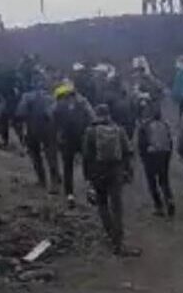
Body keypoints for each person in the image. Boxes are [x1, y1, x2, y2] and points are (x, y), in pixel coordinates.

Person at [82, 104, 139, 256]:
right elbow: (127, 152)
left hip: (97, 173)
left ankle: (109, 232)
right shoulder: (119, 130)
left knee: (102, 204)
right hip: (116, 172)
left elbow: (86, 156)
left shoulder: (90, 132)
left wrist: (87, 177)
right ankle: (118, 242)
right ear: (109, 115)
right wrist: (128, 171)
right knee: (117, 207)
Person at [53, 80, 95, 208]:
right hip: (82, 137)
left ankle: (69, 194)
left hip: (66, 140)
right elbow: (92, 117)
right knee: (88, 163)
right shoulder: (83, 102)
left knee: (67, 167)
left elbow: (51, 119)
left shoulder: (58, 105)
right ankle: (90, 188)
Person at [16, 78, 61, 193]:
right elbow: (57, 114)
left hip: (32, 129)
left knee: (35, 155)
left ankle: (42, 180)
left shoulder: (27, 97)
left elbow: (20, 113)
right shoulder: (52, 98)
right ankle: (55, 182)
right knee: (51, 156)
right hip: (50, 129)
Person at [136, 103, 175, 217]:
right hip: (164, 154)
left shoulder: (144, 126)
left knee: (152, 182)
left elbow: (141, 144)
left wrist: (143, 157)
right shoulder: (165, 124)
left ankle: (159, 206)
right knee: (164, 180)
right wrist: (168, 156)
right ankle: (169, 200)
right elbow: (170, 142)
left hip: (151, 155)